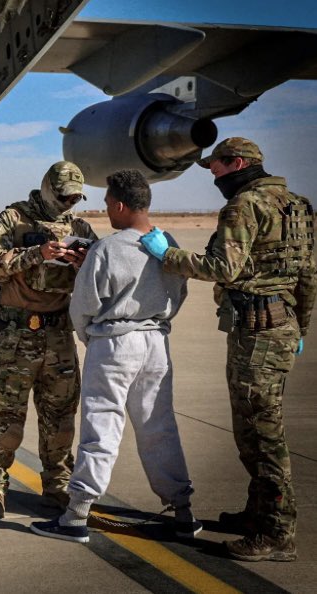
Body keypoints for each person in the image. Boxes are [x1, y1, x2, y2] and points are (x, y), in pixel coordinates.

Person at [142, 137, 315, 562]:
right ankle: (259, 514)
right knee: (257, 429)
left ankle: (277, 533)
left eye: (216, 168)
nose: (214, 176)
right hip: (281, 326)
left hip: (256, 335)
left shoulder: (244, 206)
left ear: (237, 163)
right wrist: (302, 327)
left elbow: (223, 268)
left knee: (260, 434)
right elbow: (308, 274)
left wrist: (169, 255)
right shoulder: (298, 205)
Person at [31, 169, 200, 544]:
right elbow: (179, 293)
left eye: (108, 203)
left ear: (120, 205)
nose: (106, 210)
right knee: (159, 427)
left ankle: (76, 515)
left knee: (101, 429)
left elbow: (84, 306)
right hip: (155, 342)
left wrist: (93, 337)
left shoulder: (107, 248)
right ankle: (183, 511)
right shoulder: (166, 243)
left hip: (114, 343)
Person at [0, 161, 98, 519]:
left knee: (60, 418)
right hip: (16, 336)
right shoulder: (13, 219)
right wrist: (36, 254)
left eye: (75, 197)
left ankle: (57, 486)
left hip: (58, 336)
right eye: (63, 196)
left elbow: (100, 276)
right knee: (7, 419)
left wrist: (83, 262)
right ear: (47, 187)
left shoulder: (80, 227)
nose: (68, 203)